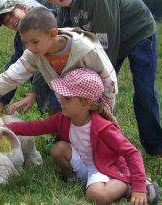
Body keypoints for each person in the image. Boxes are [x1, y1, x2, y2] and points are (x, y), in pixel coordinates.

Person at [5, 68, 160, 205]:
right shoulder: (63, 119)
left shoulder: (103, 128)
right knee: (58, 149)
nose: (61, 101)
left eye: (67, 98)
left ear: (85, 103)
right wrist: (6, 127)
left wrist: (139, 186)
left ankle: (128, 184)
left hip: (105, 169)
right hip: (85, 165)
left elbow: (132, 152)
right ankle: (75, 180)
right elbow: (36, 127)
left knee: (96, 195)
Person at [46, 0, 162, 157]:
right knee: (87, 89)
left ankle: (155, 146)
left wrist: (95, 83)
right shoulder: (64, 10)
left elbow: (106, 47)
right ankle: (86, 139)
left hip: (137, 31)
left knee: (143, 91)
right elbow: (60, 50)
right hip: (108, 40)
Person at [0, 7, 117, 116]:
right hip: (68, 105)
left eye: (34, 42)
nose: (30, 48)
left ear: (53, 34)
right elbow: (11, 75)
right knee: (63, 145)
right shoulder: (35, 52)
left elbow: (108, 81)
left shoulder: (87, 49)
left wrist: (106, 113)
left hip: (93, 105)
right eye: (26, 43)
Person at [0, 0, 60, 117]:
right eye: (7, 22)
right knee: (54, 116)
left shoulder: (52, 21)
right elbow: (15, 67)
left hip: (65, 78)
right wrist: (1, 99)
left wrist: (33, 92)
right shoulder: (20, 39)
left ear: (24, 8)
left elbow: (44, 61)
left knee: (58, 111)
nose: (11, 21)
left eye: (12, 15)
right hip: (49, 83)